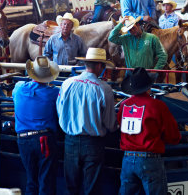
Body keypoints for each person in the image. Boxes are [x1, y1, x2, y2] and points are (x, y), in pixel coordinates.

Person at [56, 47, 117, 194]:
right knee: (91, 188)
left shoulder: (67, 83)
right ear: (98, 66)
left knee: (71, 186)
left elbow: (60, 110)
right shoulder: (104, 89)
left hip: (70, 140)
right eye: (103, 66)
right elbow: (110, 123)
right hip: (93, 143)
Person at [118, 67, 181, 194]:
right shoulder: (157, 106)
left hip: (128, 158)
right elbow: (173, 135)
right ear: (149, 87)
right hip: (149, 159)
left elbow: (119, 125)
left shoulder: (124, 105)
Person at [13, 56, 60, 195]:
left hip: (22, 139)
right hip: (42, 139)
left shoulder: (19, 88)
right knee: (46, 181)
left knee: (31, 180)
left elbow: (16, 89)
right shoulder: (54, 92)